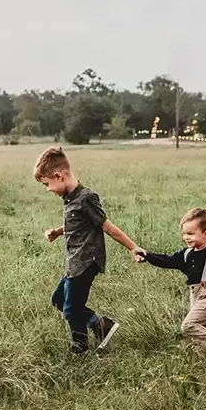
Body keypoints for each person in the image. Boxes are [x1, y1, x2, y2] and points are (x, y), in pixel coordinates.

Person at [35, 147, 146, 353]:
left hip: (86, 262)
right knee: (58, 299)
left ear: (58, 176)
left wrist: (133, 248)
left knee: (71, 309)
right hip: (74, 262)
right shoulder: (70, 198)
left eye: (47, 184)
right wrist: (59, 232)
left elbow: (108, 227)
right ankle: (100, 325)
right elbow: (78, 223)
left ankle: (81, 348)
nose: (47, 189)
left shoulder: (86, 198)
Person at [140, 208, 206, 361]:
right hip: (195, 295)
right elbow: (167, 260)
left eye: (191, 234)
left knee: (189, 325)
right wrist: (147, 255)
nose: (186, 237)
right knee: (201, 330)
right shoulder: (186, 254)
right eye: (184, 234)